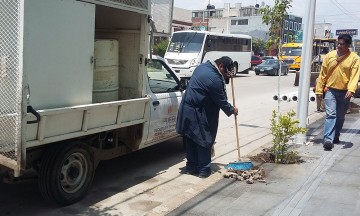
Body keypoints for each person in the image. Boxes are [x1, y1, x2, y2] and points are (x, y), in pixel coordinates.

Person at [176, 56, 238, 178]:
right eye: (226, 72)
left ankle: (191, 168)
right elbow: (222, 101)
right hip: (198, 113)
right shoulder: (214, 79)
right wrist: (232, 109)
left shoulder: (202, 67)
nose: (226, 76)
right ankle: (204, 170)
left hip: (187, 109)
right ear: (220, 66)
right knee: (203, 140)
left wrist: (225, 77)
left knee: (190, 138)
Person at [315, 34, 360, 150]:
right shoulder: (329, 56)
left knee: (340, 117)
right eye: (338, 43)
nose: (339, 46)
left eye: (342, 44)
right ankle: (328, 140)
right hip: (331, 90)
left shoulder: (354, 58)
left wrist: (351, 90)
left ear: (348, 46)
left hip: (345, 92)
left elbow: (354, 76)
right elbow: (322, 75)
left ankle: (336, 135)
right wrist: (319, 90)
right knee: (331, 115)